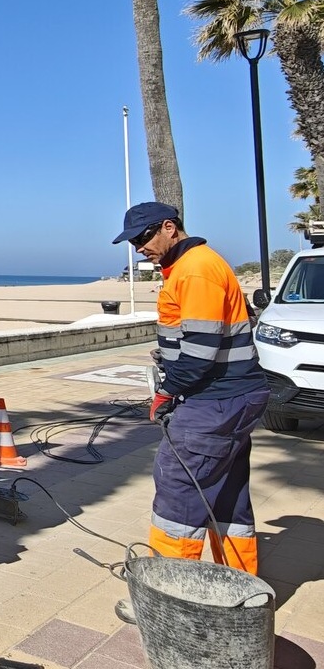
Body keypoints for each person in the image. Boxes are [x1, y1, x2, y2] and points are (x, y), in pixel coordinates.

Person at [111, 202, 268, 591]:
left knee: (179, 490)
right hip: (231, 397)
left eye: (143, 237)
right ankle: (238, 585)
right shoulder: (189, 268)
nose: (138, 247)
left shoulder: (196, 270)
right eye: (133, 241)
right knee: (226, 495)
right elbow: (199, 340)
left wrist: (166, 392)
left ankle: (169, 591)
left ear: (169, 227)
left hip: (214, 401)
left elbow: (200, 354)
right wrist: (169, 358)